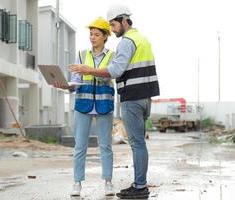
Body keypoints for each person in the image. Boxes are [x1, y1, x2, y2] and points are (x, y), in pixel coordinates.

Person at [69, 5, 160, 199]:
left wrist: (89, 71)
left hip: (127, 99)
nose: (113, 29)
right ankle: (138, 184)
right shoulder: (142, 39)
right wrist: (67, 84)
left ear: (124, 21)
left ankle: (139, 186)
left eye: (113, 24)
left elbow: (116, 71)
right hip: (142, 96)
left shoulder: (126, 42)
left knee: (134, 143)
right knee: (136, 142)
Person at [53, 17, 115, 197]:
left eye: (96, 34)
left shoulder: (112, 56)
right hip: (83, 105)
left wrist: (90, 70)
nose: (92, 37)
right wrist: (66, 86)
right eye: (91, 34)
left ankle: (108, 182)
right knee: (80, 146)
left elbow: (110, 75)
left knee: (106, 146)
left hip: (104, 105)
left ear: (105, 37)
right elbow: (77, 82)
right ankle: (77, 183)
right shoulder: (81, 54)